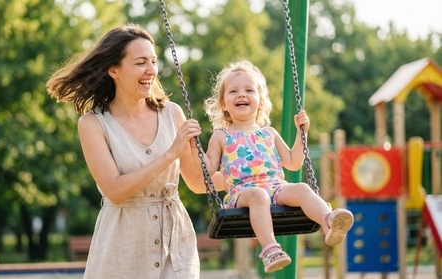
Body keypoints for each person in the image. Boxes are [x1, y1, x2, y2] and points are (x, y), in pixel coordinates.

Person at [46, 23, 205, 279]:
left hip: (175, 245)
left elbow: (198, 182)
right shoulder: (93, 124)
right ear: (114, 70)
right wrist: (169, 155)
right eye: (141, 62)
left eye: (153, 61)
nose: (151, 70)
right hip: (122, 248)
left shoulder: (172, 113)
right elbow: (116, 191)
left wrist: (252, 175)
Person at [194, 60, 354, 273]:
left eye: (249, 90)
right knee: (259, 195)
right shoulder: (221, 136)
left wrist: (301, 133)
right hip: (242, 193)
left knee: (301, 188)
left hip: (275, 187)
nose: (242, 94)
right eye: (234, 91)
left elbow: (293, 162)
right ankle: (270, 249)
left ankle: (328, 220)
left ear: (260, 100)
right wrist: (193, 144)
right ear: (223, 103)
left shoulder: (269, 133)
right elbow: (209, 168)